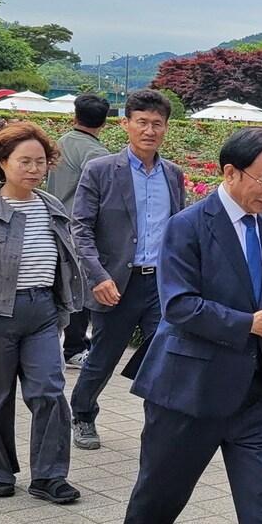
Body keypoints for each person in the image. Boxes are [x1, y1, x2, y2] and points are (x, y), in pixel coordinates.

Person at [121, 128, 262, 524]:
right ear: (230, 173)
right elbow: (180, 306)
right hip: (190, 390)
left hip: (257, 394)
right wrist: (251, 324)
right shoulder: (187, 225)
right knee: (160, 492)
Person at [0, 122, 84, 503]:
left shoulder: (51, 206)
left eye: (40, 162)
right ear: (2, 163)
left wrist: (63, 308)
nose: (34, 169)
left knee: (50, 393)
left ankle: (49, 476)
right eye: (25, 161)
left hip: (41, 313)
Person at [69, 89, 185, 450]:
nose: (149, 130)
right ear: (126, 124)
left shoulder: (173, 174)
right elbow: (80, 228)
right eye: (142, 123)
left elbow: (179, 228)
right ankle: (83, 412)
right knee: (103, 358)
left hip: (160, 284)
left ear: (166, 128)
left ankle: (160, 419)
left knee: (166, 349)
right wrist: (98, 276)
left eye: (157, 124)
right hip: (117, 282)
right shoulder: (101, 170)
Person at [47, 93, 112, 372]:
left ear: (75, 116)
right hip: (79, 230)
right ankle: (74, 348)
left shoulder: (60, 143)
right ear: (105, 123)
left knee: (64, 286)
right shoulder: (97, 153)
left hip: (56, 224)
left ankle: (65, 345)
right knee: (80, 289)